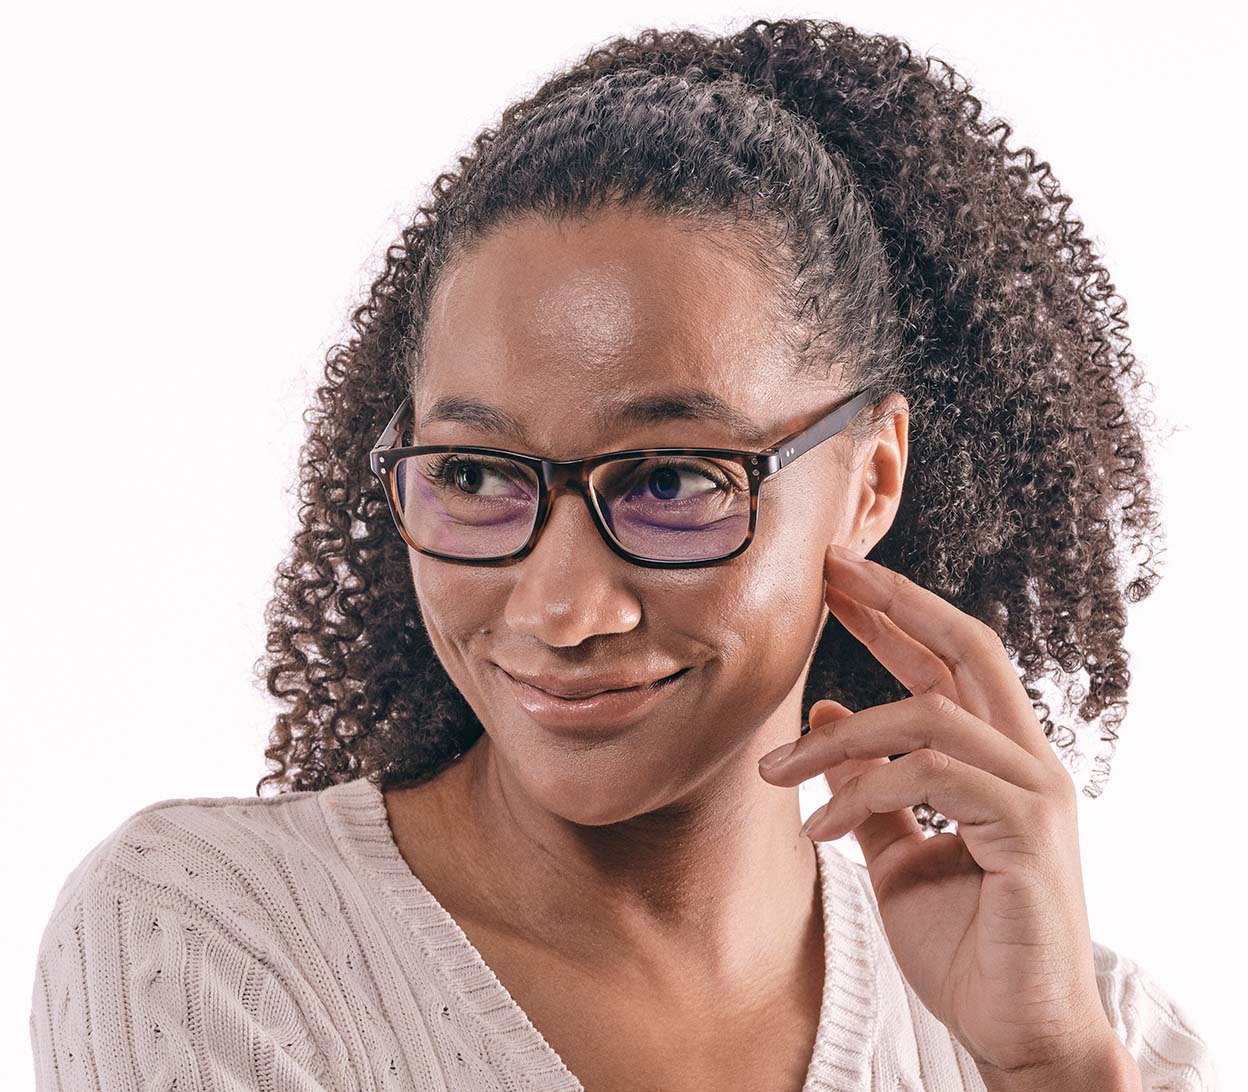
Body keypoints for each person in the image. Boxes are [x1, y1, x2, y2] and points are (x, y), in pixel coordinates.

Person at [30, 17, 1218, 1092]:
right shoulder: (210, 938)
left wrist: (1053, 1073)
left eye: (668, 480)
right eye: (478, 475)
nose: (561, 608)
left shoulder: (1089, 1026)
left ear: (872, 480)